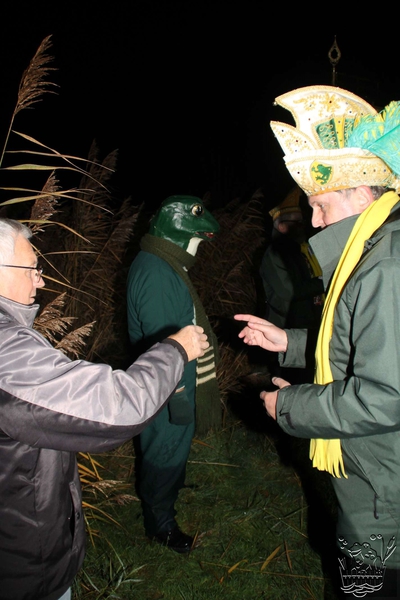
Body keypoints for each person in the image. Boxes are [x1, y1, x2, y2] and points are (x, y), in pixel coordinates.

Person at [235, 85, 400, 598]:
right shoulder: (374, 253)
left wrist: (290, 406)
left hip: (385, 501)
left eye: (321, 205)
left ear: (362, 195)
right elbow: (363, 347)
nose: (314, 221)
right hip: (379, 481)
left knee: (364, 589)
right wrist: (288, 341)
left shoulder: (385, 267)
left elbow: (386, 396)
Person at [0, 218, 209, 600]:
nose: (40, 281)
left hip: (22, 539)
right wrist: (176, 351)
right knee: (163, 452)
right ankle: (161, 523)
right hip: (20, 568)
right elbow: (118, 406)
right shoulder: (7, 353)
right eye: (31, 268)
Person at [126, 195, 221, 553]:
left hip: (175, 381)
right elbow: (165, 347)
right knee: (163, 452)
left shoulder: (165, 263)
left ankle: (167, 491)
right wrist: (179, 396)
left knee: (172, 449)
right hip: (167, 389)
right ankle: (160, 523)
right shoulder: (157, 272)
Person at [259, 185, 324, 330]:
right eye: (297, 222)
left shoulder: (302, 249)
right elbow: (289, 291)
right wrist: (326, 282)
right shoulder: (274, 254)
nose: (302, 226)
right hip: (286, 327)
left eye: (302, 222)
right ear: (281, 227)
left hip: (309, 322)